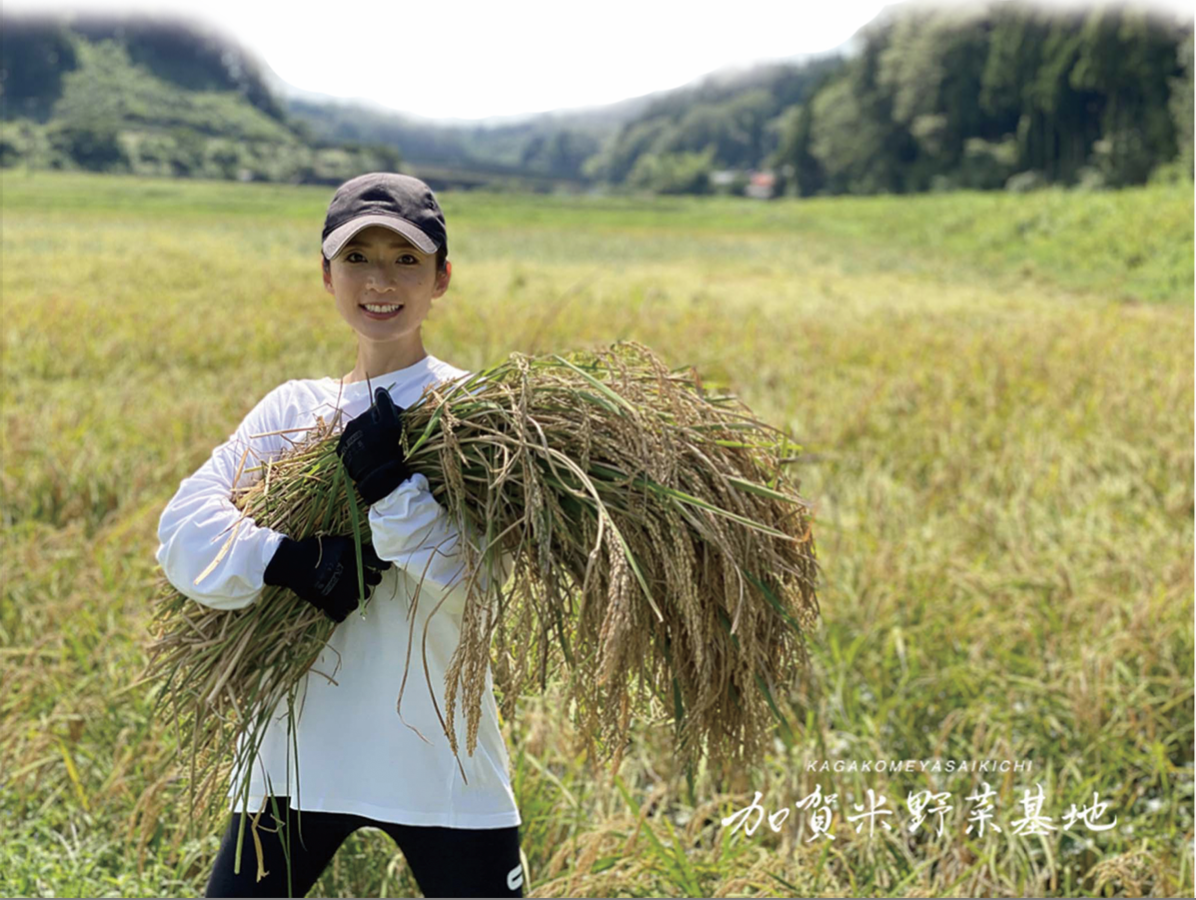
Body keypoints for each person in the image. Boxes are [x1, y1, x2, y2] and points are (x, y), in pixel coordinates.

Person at [155, 172, 525, 898]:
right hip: (295, 760)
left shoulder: (480, 418)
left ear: (441, 278)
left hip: (440, 760)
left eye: (406, 260)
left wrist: (389, 490)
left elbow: (479, 582)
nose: (380, 279)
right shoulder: (294, 410)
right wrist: (286, 560)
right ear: (327, 275)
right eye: (357, 258)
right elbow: (181, 534)